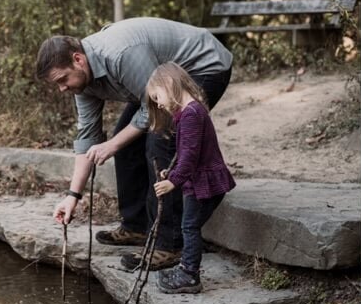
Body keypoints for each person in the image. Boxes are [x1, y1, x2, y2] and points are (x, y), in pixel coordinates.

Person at [37, 17, 233, 272]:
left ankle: (170, 244)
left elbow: (156, 113)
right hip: (155, 83)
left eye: (63, 80)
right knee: (126, 142)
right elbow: (88, 137)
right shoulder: (82, 84)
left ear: (78, 59)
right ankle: (137, 226)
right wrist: (72, 197)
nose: (62, 89)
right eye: (57, 84)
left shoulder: (121, 54)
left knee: (160, 142)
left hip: (203, 66)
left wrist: (113, 145)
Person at [145, 63, 236, 293]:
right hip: (199, 180)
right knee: (190, 225)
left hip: (204, 183)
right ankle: (187, 267)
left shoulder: (191, 115)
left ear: (169, 84)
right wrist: (171, 171)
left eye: (157, 96)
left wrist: (172, 182)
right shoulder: (190, 112)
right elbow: (185, 152)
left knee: (189, 226)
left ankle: (189, 274)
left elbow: (190, 158)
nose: (158, 103)